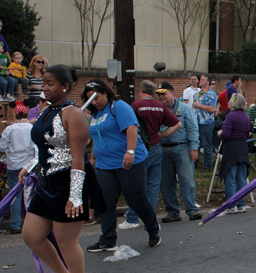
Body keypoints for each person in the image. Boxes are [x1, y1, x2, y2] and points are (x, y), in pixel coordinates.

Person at [22, 65, 95, 273]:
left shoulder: (73, 113)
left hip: (69, 180)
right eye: (44, 83)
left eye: (50, 84)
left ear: (64, 86)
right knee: (31, 235)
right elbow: (46, 148)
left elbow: (77, 157)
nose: (45, 88)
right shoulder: (47, 111)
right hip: (48, 181)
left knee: (66, 240)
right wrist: (30, 166)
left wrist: (75, 196)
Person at [82, 80, 161, 252]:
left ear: (105, 93)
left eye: (96, 97)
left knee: (135, 198)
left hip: (129, 161)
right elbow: (97, 137)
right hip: (105, 165)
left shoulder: (118, 107)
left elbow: (131, 129)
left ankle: (153, 228)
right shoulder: (96, 114)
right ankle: (108, 239)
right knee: (105, 201)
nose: (94, 101)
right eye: (90, 99)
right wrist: (93, 158)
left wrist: (130, 152)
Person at [119, 80, 180, 230]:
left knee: (137, 185)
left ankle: (132, 218)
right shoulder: (160, 106)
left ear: (140, 91)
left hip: (140, 148)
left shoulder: (134, 106)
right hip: (156, 147)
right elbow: (177, 124)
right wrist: (161, 135)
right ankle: (150, 218)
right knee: (153, 185)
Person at [155, 81, 202, 222]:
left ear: (172, 93)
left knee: (186, 180)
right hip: (163, 149)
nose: (161, 97)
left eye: (164, 94)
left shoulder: (184, 109)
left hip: (182, 148)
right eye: (159, 95)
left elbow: (193, 128)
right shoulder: (158, 110)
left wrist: (194, 148)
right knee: (166, 182)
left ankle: (192, 210)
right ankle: (173, 211)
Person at [0, 102, 37, 234]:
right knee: (30, 194)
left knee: (15, 196)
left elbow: (0, 147)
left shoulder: (9, 129)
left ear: (16, 114)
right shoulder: (31, 128)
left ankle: (15, 224)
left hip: (13, 165)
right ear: (27, 113)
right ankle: (31, 224)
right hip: (29, 165)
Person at [218, 94, 251, 214]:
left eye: (231, 99)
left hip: (231, 149)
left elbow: (225, 134)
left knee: (230, 177)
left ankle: (231, 205)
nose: (229, 101)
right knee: (241, 178)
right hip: (242, 149)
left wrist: (219, 134)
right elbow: (248, 134)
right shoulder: (246, 117)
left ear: (234, 103)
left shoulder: (230, 116)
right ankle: (241, 203)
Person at [192, 74, 218, 170]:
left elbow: (212, 108)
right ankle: (195, 163)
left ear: (208, 82)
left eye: (202, 80)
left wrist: (200, 106)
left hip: (206, 123)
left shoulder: (211, 94)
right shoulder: (198, 93)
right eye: (200, 79)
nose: (200, 81)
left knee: (206, 144)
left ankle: (208, 165)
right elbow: (193, 106)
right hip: (196, 122)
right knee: (196, 143)